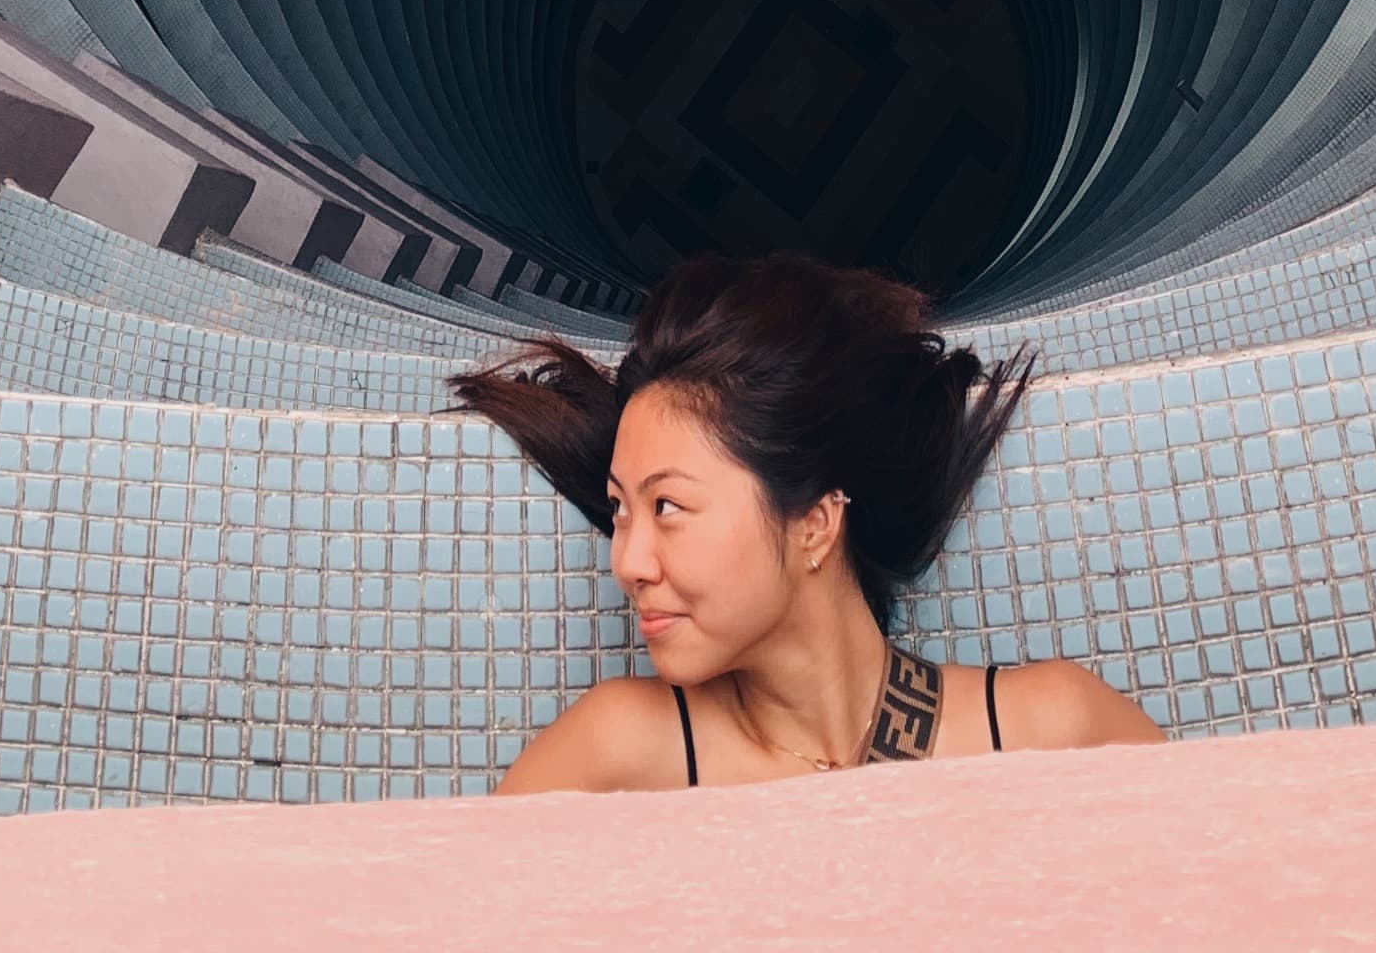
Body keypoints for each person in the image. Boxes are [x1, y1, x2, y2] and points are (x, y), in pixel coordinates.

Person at [459, 252, 1165, 789]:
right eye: (621, 509)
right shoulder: (617, 759)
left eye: (667, 506)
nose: (629, 562)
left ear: (816, 524)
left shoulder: (1049, 733)